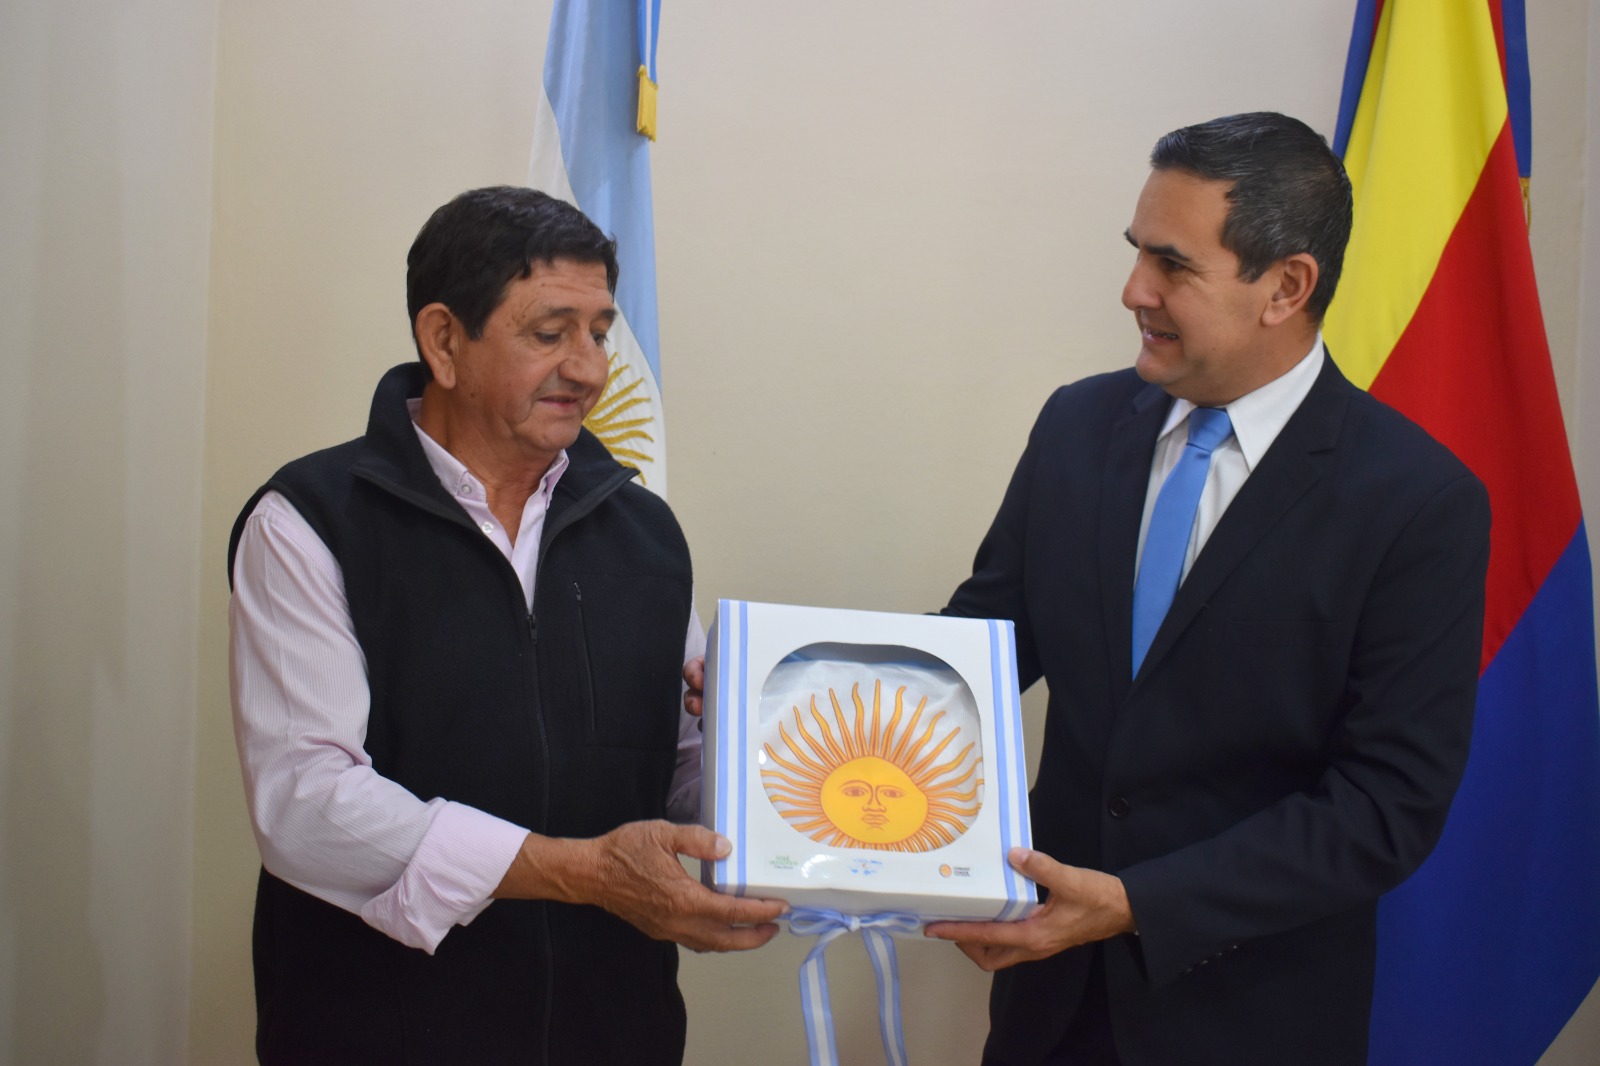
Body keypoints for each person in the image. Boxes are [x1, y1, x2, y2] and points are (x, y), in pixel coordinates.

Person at [919, 113, 1491, 1064]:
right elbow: (981, 648)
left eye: (1173, 265)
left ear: (1287, 287)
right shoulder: (1077, 425)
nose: (1133, 290)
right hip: (1048, 1008)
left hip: (1247, 1019)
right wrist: (789, 689)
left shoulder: (1415, 502)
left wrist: (1138, 903)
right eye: (1137, 251)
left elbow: (1385, 807)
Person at [228, 186, 784, 1066]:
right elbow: (306, 802)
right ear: (444, 341)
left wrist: (754, 744)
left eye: (599, 332)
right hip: (379, 1034)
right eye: (550, 332)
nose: (589, 369)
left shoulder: (645, 534)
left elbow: (679, 777)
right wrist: (582, 873)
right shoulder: (309, 521)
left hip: (616, 1034)